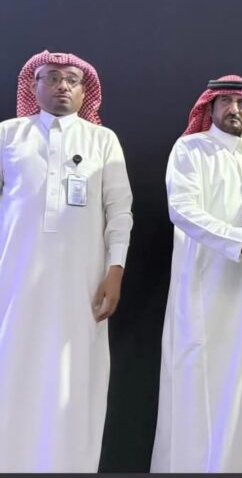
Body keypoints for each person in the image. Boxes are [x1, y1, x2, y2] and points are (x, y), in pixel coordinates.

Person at [150, 75, 242, 473]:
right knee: (199, 383)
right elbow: (181, 209)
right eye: (226, 102)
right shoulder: (189, 148)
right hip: (204, 287)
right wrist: (237, 240)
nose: (235, 110)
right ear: (211, 106)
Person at [0, 50, 133, 472]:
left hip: (83, 283)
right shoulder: (8, 135)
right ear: (33, 85)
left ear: (84, 91)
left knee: (73, 377)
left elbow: (120, 212)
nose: (62, 86)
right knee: (11, 369)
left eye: (72, 80)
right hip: (13, 281)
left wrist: (115, 271)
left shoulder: (102, 140)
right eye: (52, 77)